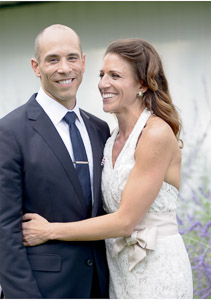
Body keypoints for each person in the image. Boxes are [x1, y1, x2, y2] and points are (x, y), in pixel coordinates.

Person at [21, 38, 193, 298]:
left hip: (157, 268)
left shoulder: (155, 134)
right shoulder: (108, 137)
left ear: (143, 84)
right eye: (102, 74)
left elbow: (124, 222)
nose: (103, 84)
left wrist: (49, 230)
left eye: (115, 75)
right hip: (119, 270)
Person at [0, 24, 110, 298]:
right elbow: (3, 233)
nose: (64, 68)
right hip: (44, 291)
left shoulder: (100, 129)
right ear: (36, 66)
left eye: (72, 58)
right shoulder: (7, 133)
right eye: (53, 59)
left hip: (99, 287)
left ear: (84, 62)